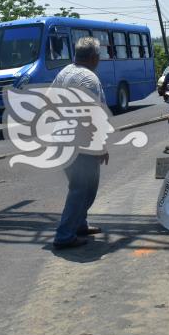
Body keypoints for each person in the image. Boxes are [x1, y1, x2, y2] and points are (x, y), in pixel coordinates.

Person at [51, 36, 108, 249]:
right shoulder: (90, 79)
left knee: (80, 186)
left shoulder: (63, 72)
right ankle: (64, 235)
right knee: (83, 189)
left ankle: (80, 224)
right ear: (94, 57)